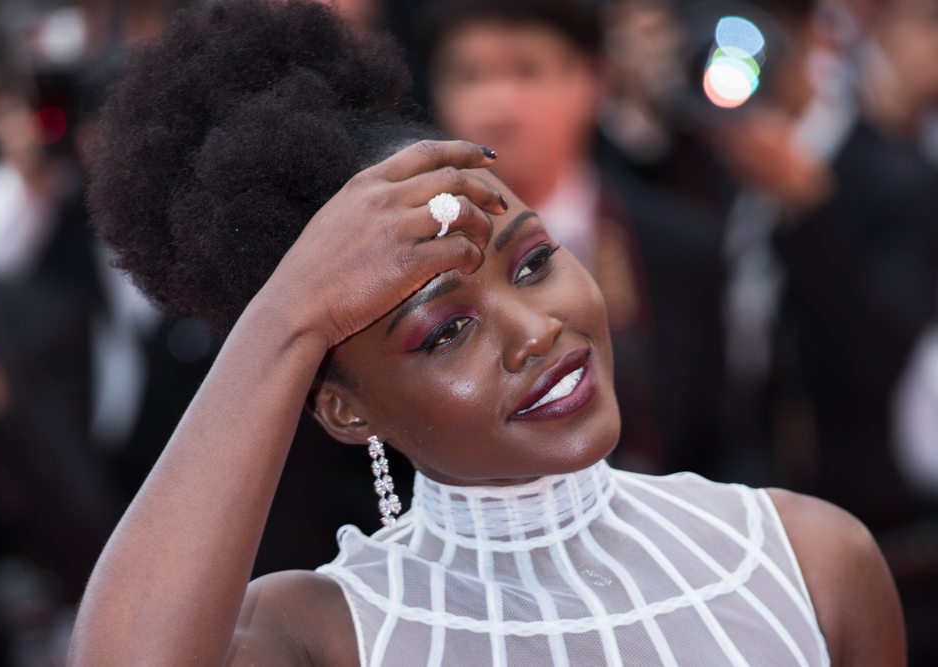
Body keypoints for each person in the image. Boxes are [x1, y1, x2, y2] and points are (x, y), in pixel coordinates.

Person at [68, 1, 903, 665]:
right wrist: (290, 310)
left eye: (535, 261)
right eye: (445, 331)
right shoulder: (322, 636)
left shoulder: (813, 563)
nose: (537, 331)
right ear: (345, 410)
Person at [423, 0, 727, 477]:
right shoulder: (414, 256)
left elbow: (726, 432)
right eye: (469, 76)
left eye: (527, 71)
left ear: (593, 81)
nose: (497, 106)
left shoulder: (677, 244)